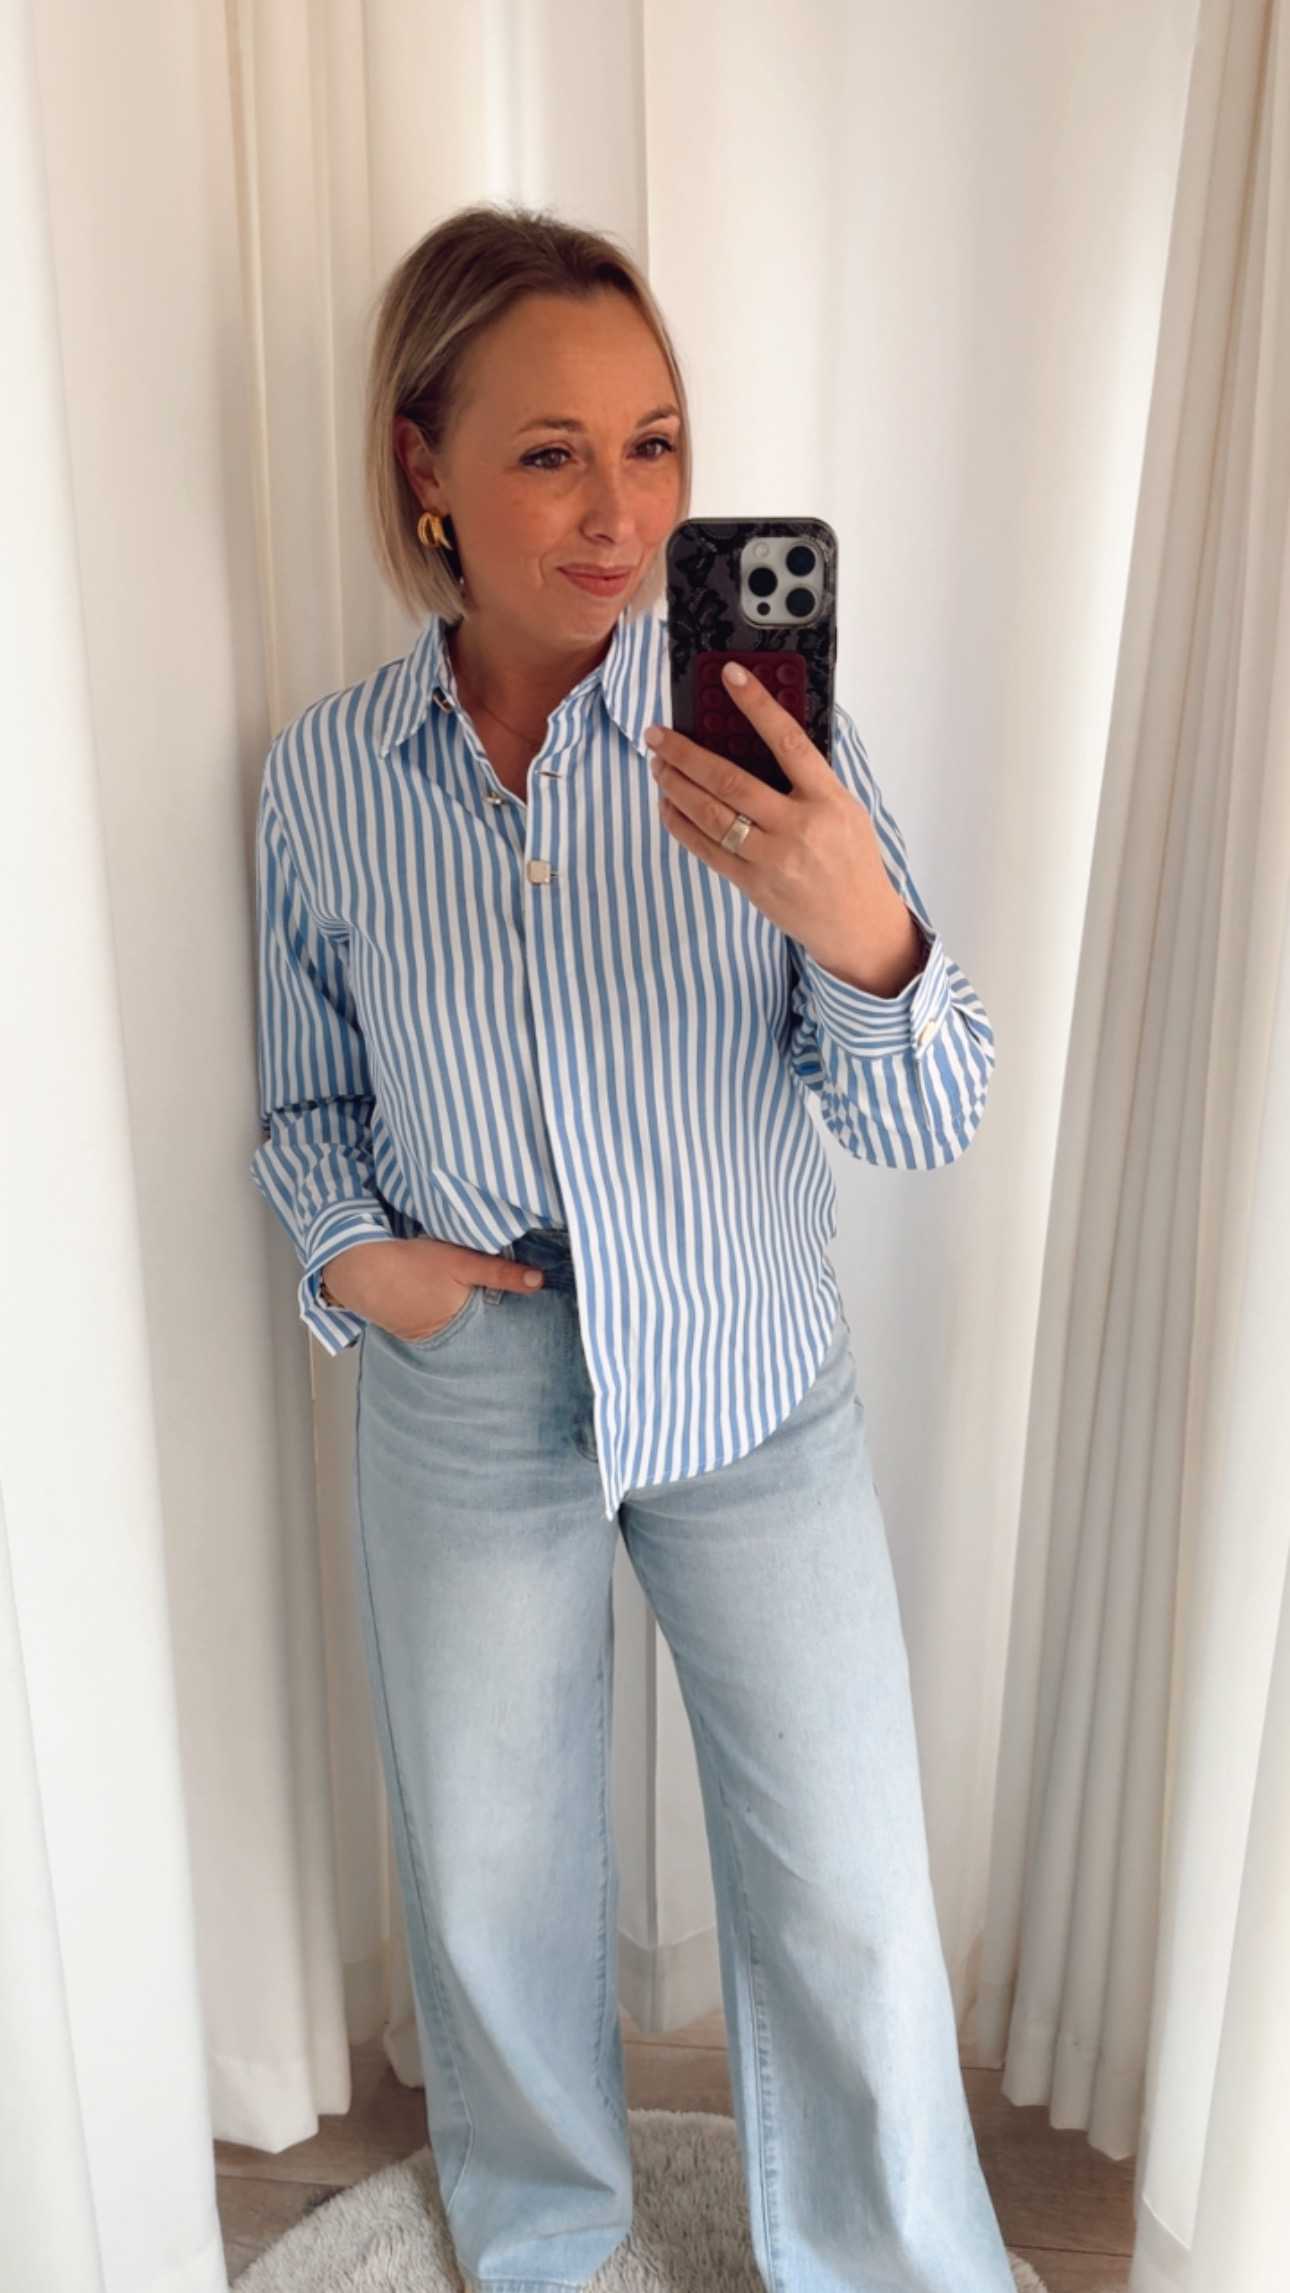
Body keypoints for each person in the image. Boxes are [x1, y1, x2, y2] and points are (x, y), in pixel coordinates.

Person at [249, 201, 1012, 2293]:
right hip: (467, 1378)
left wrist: (865, 932)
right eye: (552, 453)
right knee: (492, 1875)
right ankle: (547, 2242)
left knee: (846, 1885)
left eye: (655, 445)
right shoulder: (329, 779)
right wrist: (360, 1262)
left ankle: (894, 2264)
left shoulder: (761, 740)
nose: (620, 513)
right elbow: (306, 1105)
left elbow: (925, 1113)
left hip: (747, 1368)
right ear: (422, 464)